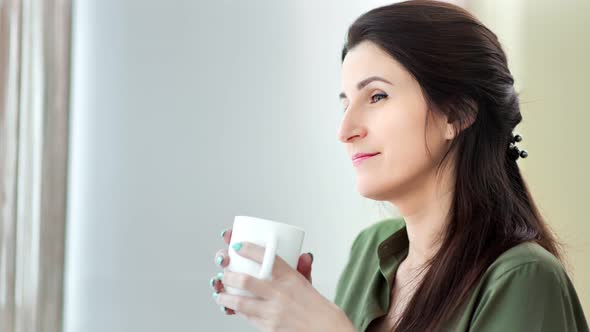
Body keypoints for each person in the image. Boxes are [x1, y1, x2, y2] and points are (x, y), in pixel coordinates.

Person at [210, 1, 589, 331]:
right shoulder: (369, 252)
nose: (345, 130)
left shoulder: (521, 278)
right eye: (345, 103)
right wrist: (294, 318)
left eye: (376, 96)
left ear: (456, 113)